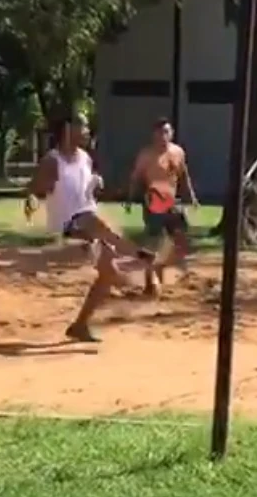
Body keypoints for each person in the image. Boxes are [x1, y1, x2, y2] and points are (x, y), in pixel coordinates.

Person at [23, 112, 155, 343]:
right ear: (67, 129)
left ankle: (80, 325)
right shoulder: (52, 160)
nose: (87, 131)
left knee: (109, 274)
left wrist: (95, 181)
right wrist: (34, 199)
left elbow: (83, 191)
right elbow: (35, 189)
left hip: (88, 219)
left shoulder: (84, 157)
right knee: (97, 223)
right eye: (82, 126)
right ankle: (140, 255)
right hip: (68, 224)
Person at [126, 117, 198, 297]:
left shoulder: (178, 152)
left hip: (173, 202)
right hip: (154, 203)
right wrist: (129, 198)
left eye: (166, 131)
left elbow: (184, 175)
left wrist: (192, 196)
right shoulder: (146, 155)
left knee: (180, 239)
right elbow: (136, 178)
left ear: (171, 133)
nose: (163, 136)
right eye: (159, 132)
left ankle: (163, 270)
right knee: (153, 243)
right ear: (153, 135)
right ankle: (151, 283)